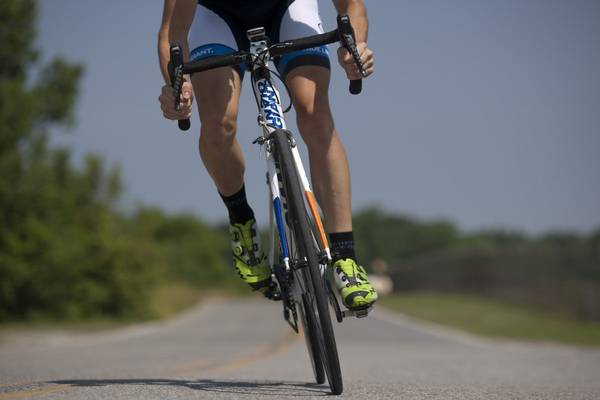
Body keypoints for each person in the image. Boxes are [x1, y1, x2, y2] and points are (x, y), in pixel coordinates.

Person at [158, 0, 377, 310]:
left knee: (314, 112)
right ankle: (241, 221)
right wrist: (176, 87)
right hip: (217, 16)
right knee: (219, 122)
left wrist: (354, 47)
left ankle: (346, 259)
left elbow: (352, 5)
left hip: (289, 8)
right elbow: (172, 32)